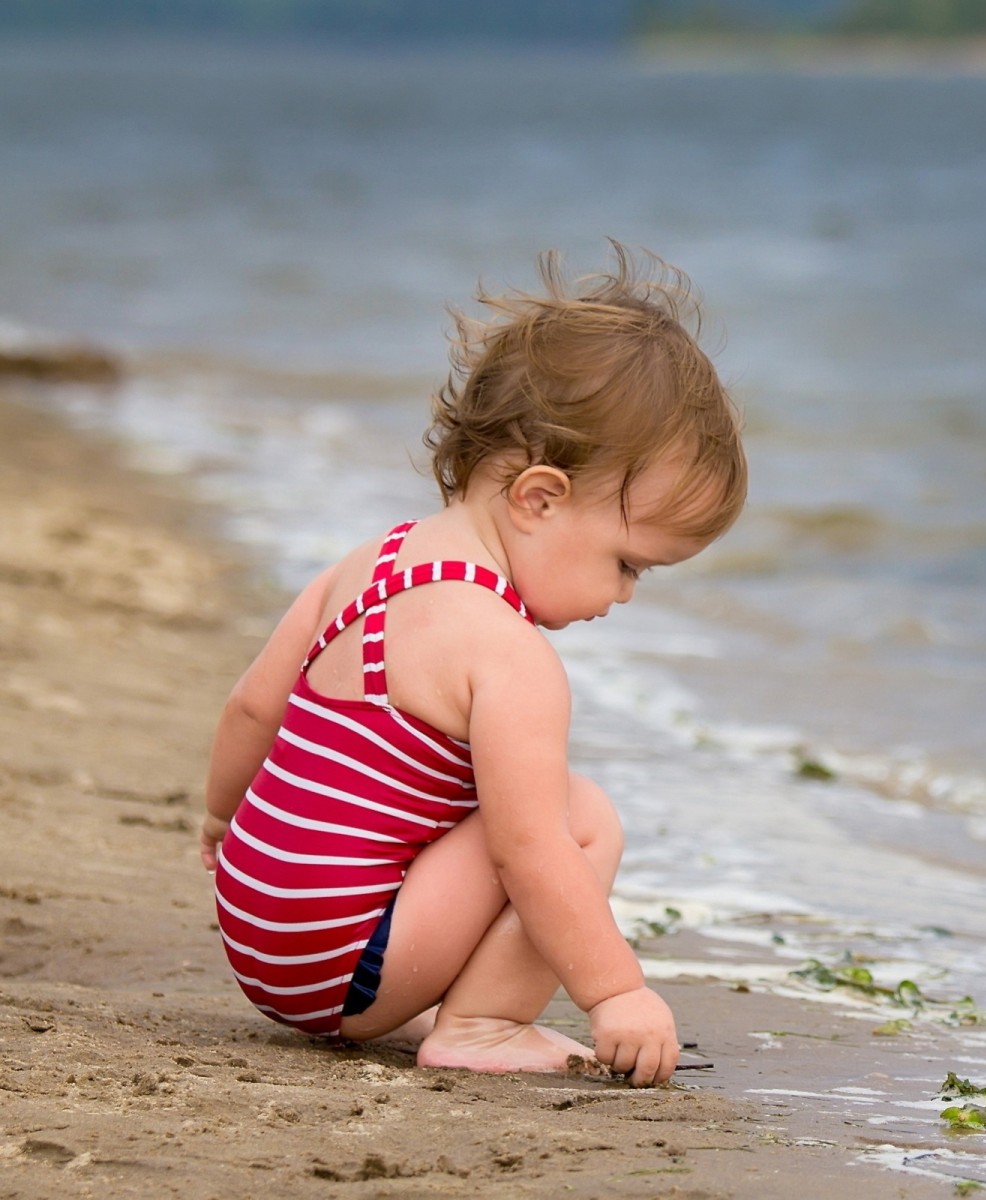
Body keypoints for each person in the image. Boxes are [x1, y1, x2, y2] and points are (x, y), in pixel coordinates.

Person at [198, 244, 746, 1086]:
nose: (624, 595)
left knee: (474, 810)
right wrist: (617, 993)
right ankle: (485, 1024)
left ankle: (431, 997)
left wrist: (220, 820)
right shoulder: (508, 653)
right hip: (339, 969)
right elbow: (529, 853)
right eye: (628, 564)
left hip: (251, 930)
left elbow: (250, 709)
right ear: (539, 498)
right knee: (579, 816)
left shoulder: (367, 564)